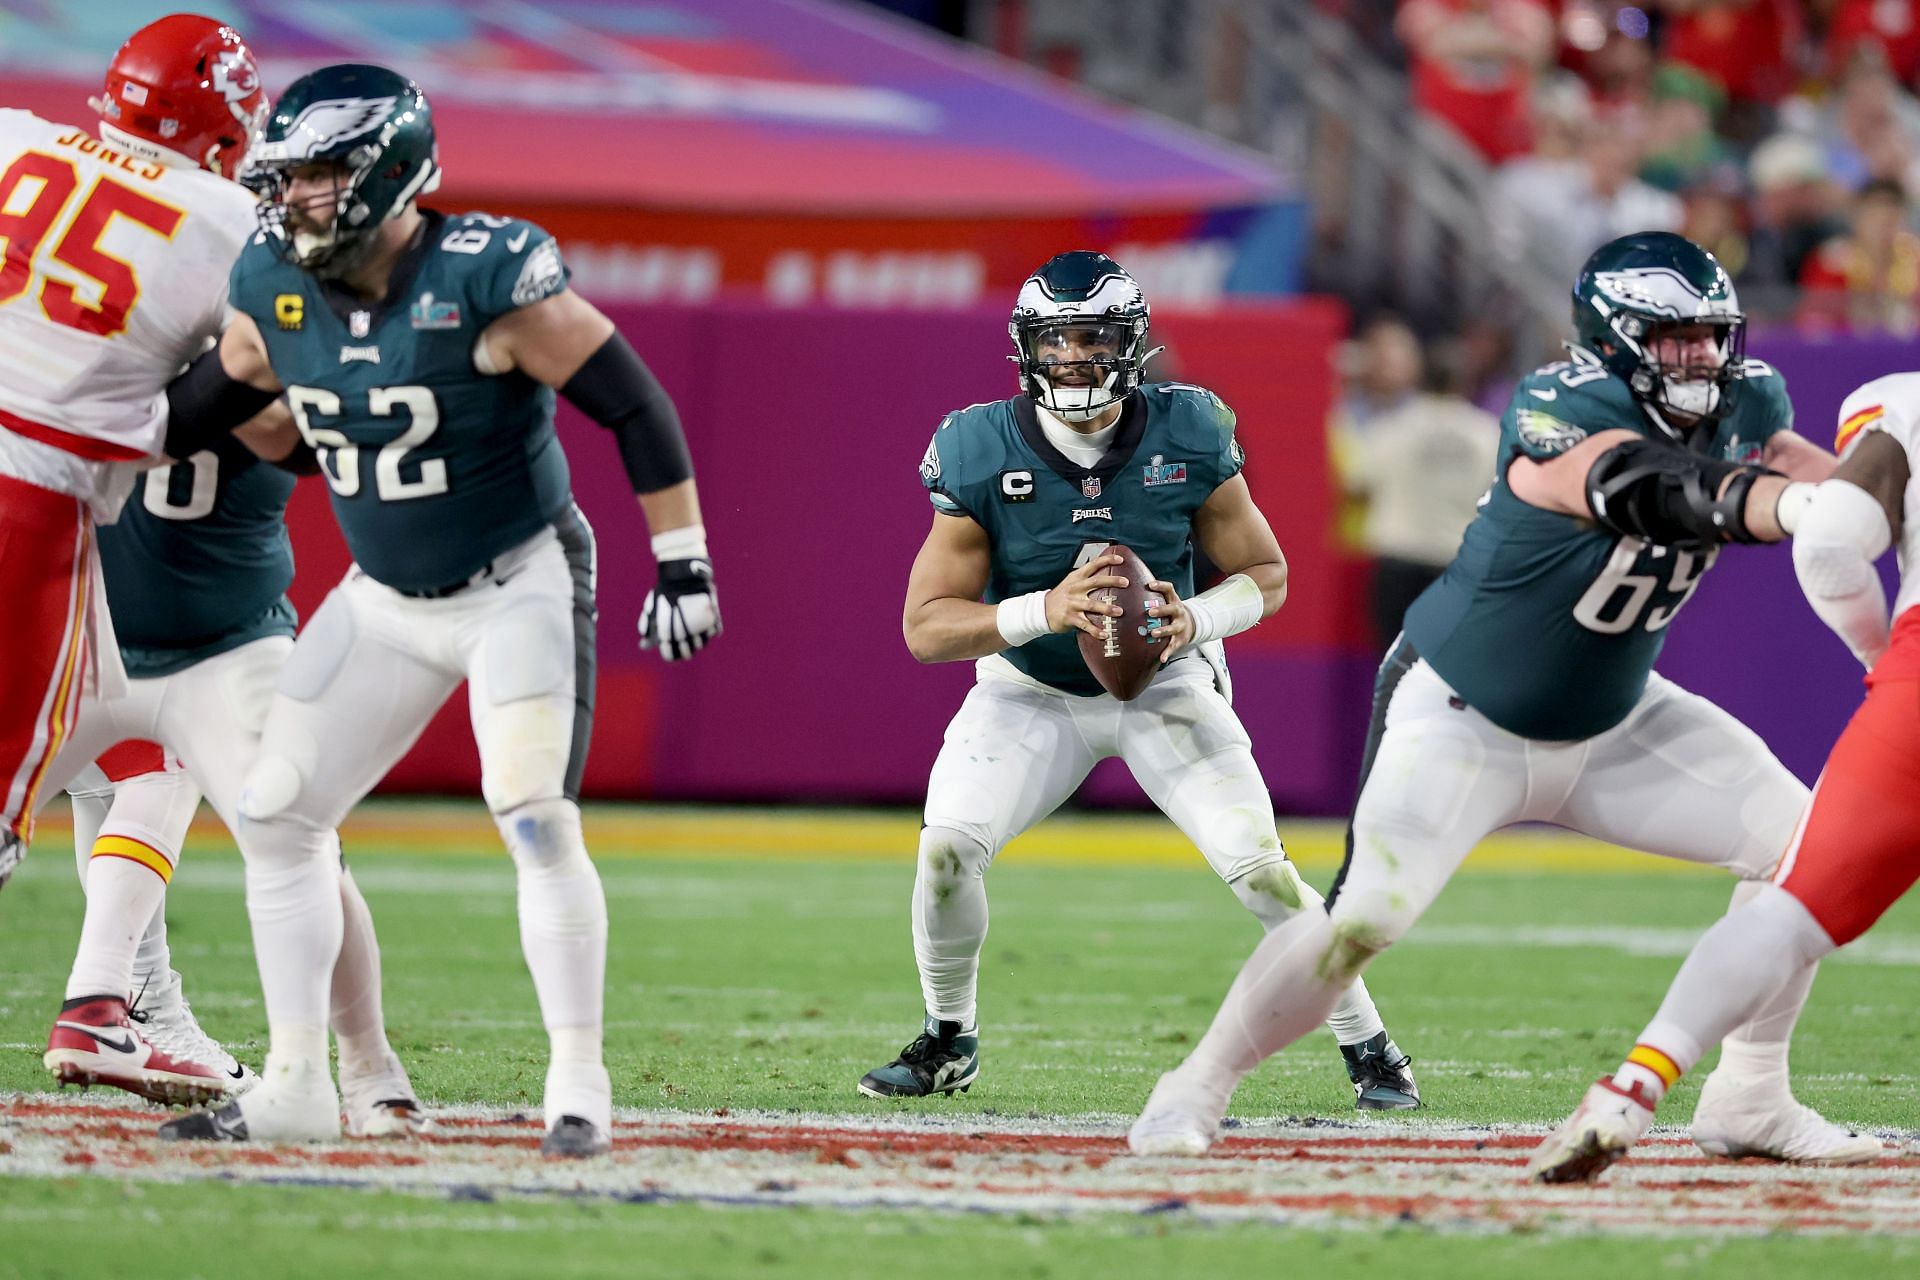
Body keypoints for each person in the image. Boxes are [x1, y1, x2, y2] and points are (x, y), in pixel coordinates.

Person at [1128, 232, 1875, 1166]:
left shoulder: (1747, 400)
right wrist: (1796, 507)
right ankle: (1193, 1086)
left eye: (1711, 337)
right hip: (1463, 714)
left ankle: (1751, 1095)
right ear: (1614, 337)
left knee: (1802, 849)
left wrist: (1877, 487)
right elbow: (1647, 489)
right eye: (1674, 337)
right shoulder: (1562, 403)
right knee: (1364, 918)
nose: (1701, 358)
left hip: (1612, 718)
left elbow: (1810, 474)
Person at [153, 64, 719, 1157]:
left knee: (533, 811)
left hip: (518, 581)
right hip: (384, 599)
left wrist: (684, 562)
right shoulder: (273, 280)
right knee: (275, 808)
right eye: (289, 178)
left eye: (320, 175)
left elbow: (633, 402)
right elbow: (208, 403)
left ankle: (578, 1078)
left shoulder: (489, 273)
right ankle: (296, 1082)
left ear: (390, 170)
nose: (296, 200)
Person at [857, 251, 1419, 1110]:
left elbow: (1266, 574)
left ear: (1134, 346)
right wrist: (1045, 610)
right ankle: (947, 1036)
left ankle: (1371, 1047)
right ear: (1025, 349)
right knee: (945, 849)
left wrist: (1194, 618)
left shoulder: (1189, 428)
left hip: (1166, 679)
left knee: (1260, 870)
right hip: (1030, 690)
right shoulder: (977, 446)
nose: (1076, 358)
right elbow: (925, 628)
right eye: (1059, 340)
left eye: (1094, 339)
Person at [1529, 373, 1920, 1182]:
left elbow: (1828, 541)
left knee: (1790, 907)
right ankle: (1739, 1097)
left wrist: (1887, 666)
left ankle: (1632, 1088)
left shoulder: (1903, 401)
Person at [41, 432, 424, 1136]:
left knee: (145, 787)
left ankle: (129, 1000)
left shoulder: (118, 350)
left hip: (83, 618)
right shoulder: (262, 349)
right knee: (298, 844)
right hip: (207, 641)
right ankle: (365, 1073)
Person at [0, 13, 264, 894]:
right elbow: (260, 363)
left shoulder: (13, 136)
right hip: (28, 496)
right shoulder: (230, 220)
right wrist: (150, 427)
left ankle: (117, 1003)